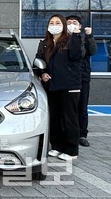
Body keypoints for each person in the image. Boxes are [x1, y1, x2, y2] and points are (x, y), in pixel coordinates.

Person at [36, 14, 84, 161]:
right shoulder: (45, 43)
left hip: (69, 86)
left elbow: (77, 55)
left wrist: (76, 34)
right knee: (55, 118)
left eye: (57, 22)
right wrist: (42, 73)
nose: (54, 25)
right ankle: (57, 146)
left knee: (69, 119)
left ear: (63, 25)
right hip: (51, 86)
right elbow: (38, 60)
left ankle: (71, 150)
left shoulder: (71, 40)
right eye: (51, 22)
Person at [66, 15, 97, 147]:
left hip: (83, 77)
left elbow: (93, 51)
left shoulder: (84, 38)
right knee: (68, 107)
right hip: (66, 77)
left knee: (82, 106)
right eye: (69, 22)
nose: (72, 24)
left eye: (75, 22)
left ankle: (82, 134)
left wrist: (89, 36)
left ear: (80, 26)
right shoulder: (62, 39)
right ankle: (67, 133)